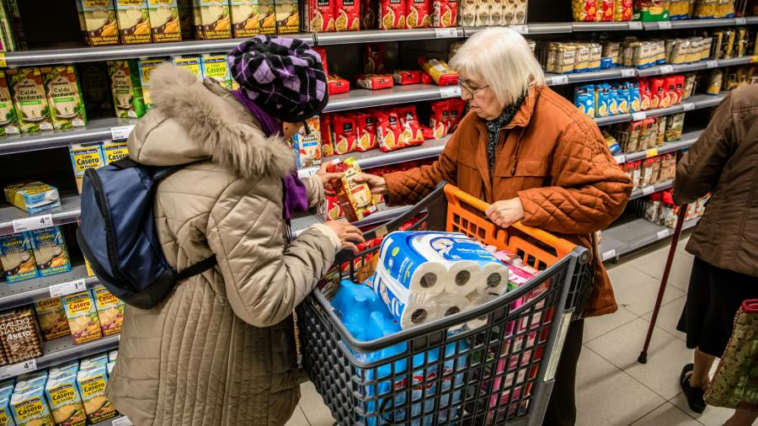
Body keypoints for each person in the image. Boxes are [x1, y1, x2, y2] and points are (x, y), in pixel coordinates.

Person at [356, 27, 633, 426]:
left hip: (549, 281)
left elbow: (610, 195)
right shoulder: (474, 123)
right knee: (489, 375)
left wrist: (527, 205)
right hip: (491, 271)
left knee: (548, 384)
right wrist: (388, 185)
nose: (464, 96)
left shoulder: (566, 125)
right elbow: (443, 174)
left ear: (505, 79)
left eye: (473, 86)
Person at [106, 36, 364, 426]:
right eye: (303, 120)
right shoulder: (247, 176)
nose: (301, 130)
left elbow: (213, 201)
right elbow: (264, 299)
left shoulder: (208, 127)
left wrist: (314, 186)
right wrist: (323, 238)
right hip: (209, 366)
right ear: (287, 116)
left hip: (165, 332)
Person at [674, 83, 758, 426]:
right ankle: (743, 413)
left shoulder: (747, 100)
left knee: (716, 318)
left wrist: (683, 193)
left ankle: (698, 382)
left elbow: (694, 173)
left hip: (734, 245)